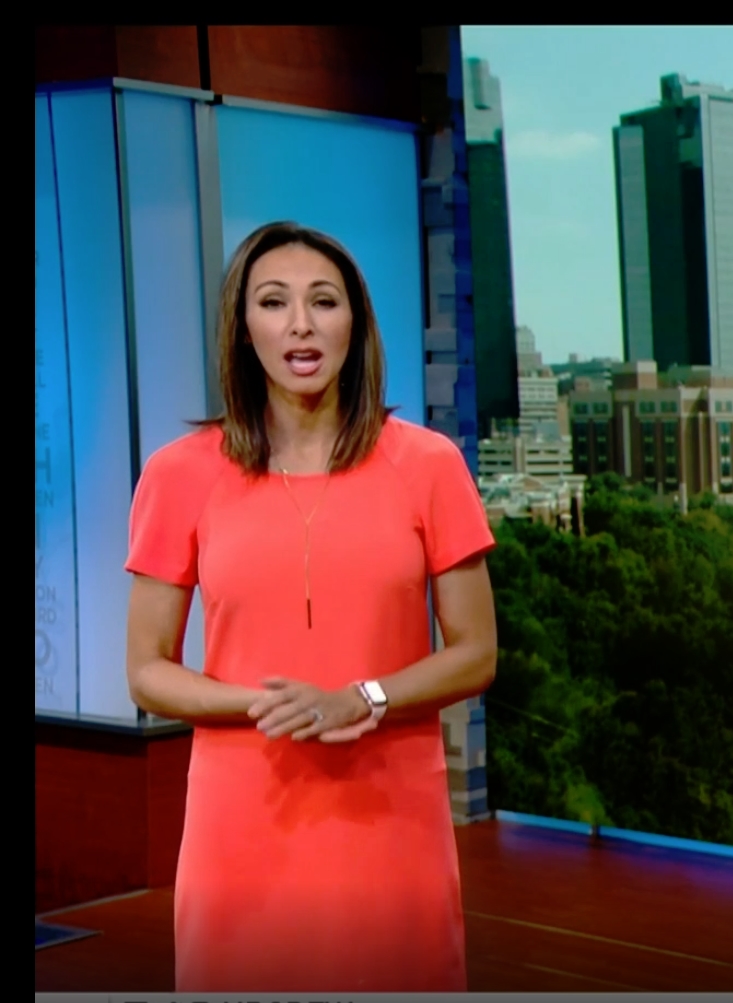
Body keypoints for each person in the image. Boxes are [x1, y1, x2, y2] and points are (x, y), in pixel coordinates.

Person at [124, 221, 497, 992]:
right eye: (273, 302)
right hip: (240, 825)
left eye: (324, 301)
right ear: (243, 327)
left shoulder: (430, 464)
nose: (301, 322)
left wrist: (361, 697)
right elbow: (147, 670)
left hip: (390, 823)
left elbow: (476, 651)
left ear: (354, 323)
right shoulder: (178, 473)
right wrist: (268, 706)